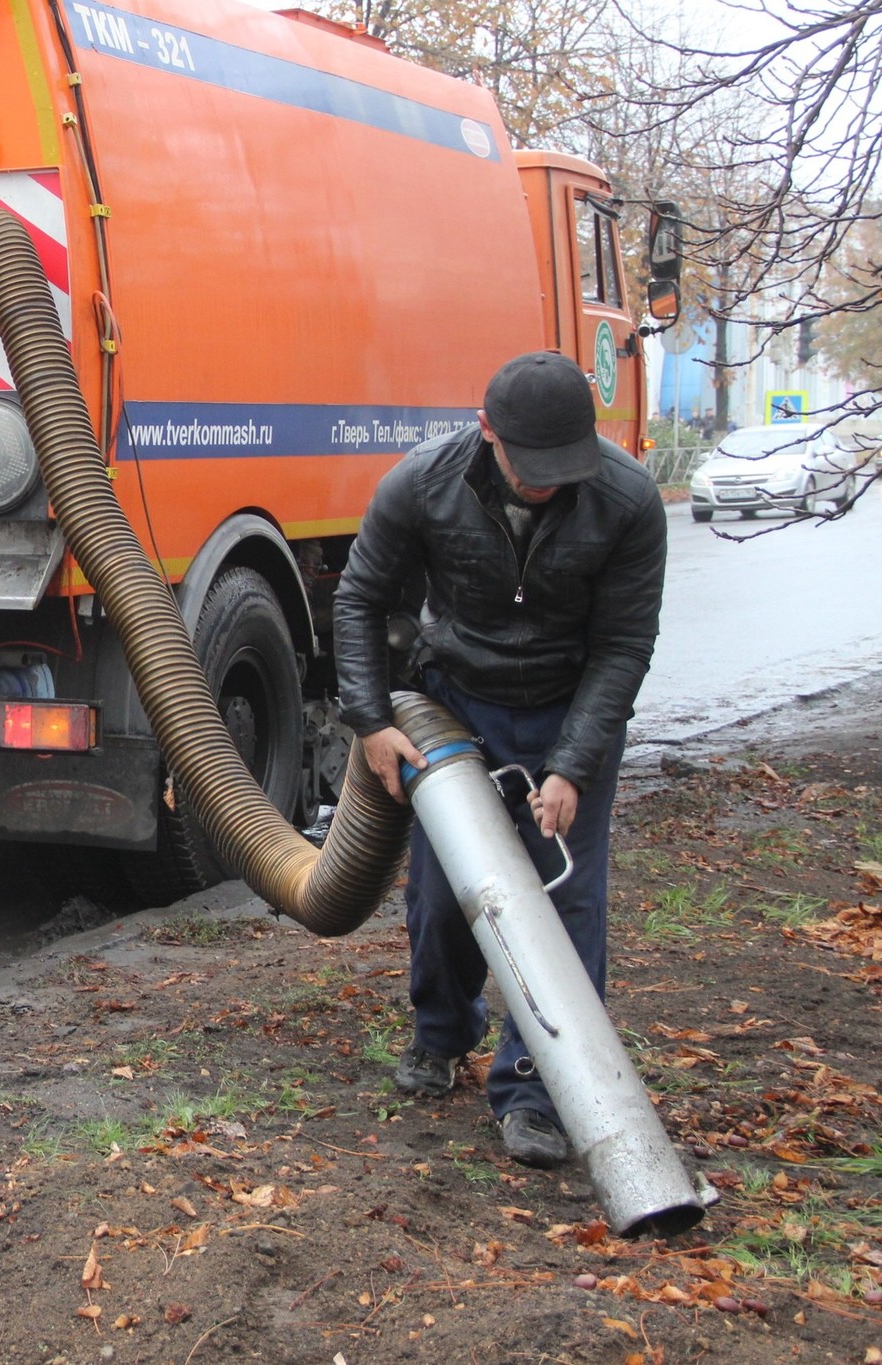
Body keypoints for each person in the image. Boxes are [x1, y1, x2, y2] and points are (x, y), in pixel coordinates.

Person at [332, 350, 667, 1169]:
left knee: (566, 900)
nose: (551, 483)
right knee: (446, 897)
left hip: (569, 707)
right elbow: (359, 599)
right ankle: (441, 1034)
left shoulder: (627, 501)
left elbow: (623, 646)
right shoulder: (422, 484)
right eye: (534, 466)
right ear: (489, 434)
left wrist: (574, 764)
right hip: (461, 706)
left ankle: (536, 1090)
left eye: (568, 467)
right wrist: (372, 719)